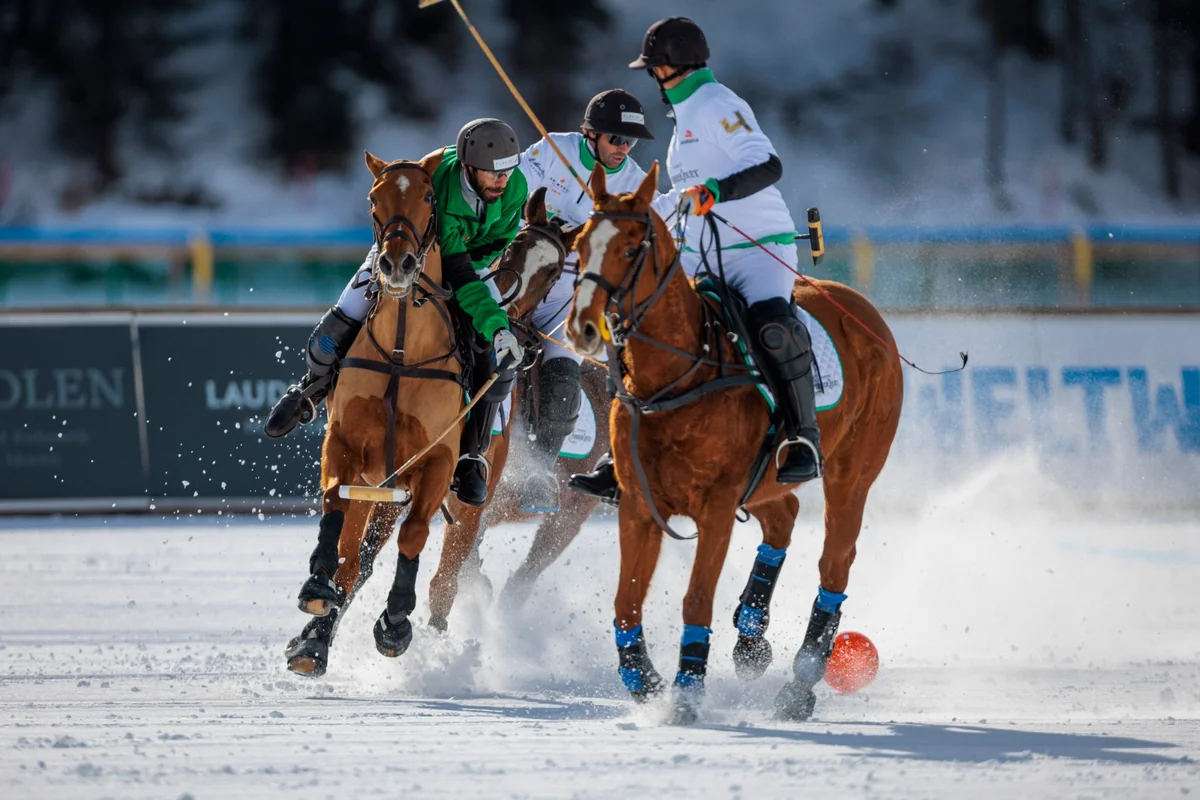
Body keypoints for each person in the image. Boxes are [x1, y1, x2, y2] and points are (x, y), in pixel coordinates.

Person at [568, 16, 822, 503]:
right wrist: (631, 216)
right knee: (634, 321)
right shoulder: (682, 121)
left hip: (757, 249)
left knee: (772, 326)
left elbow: (768, 164)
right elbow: (679, 199)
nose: (653, 79)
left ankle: (802, 436)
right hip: (702, 253)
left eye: (653, 70)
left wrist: (715, 192)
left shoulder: (716, 103)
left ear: (666, 68)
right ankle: (625, 448)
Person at [263, 118, 528, 508]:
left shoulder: (515, 186)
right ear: (469, 167)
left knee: (498, 355)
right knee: (340, 320)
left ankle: (471, 454)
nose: (502, 180)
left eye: (506, 171)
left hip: (468, 263)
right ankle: (309, 390)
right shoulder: (443, 186)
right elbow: (406, 213)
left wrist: (486, 303)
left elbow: (500, 238)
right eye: (492, 172)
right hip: (403, 250)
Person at [516, 88, 673, 512]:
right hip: (522, 273)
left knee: (560, 361)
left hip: (568, 290)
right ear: (591, 134)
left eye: (629, 141)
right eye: (615, 139)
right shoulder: (552, 150)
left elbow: (655, 225)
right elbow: (515, 192)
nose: (623, 148)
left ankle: (540, 469)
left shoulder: (633, 181)